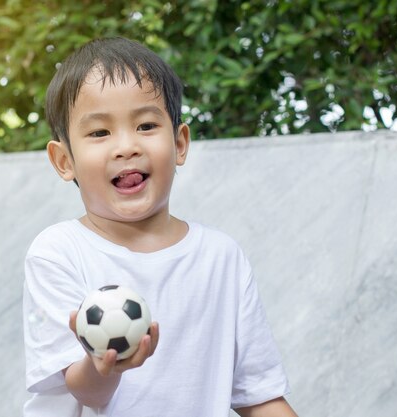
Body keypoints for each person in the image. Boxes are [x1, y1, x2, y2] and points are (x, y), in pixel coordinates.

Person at [23, 37, 297, 417]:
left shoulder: (221, 258)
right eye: (100, 133)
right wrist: (105, 367)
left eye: (146, 125)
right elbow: (85, 390)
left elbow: (261, 397)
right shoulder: (59, 252)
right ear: (64, 160)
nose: (126, 146)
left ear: (180, 143)